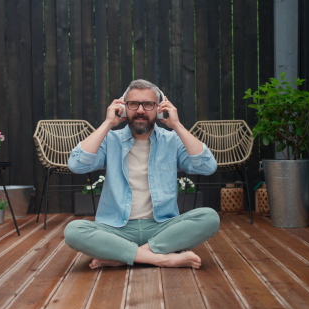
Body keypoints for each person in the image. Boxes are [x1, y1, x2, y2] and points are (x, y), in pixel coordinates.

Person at [64, 79, 220, 269]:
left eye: (148, 104)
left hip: (161, 227)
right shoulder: (110, 140)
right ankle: (160, 258)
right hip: (116, 229)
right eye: (133, 104)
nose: (140, 110)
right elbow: (76, 164)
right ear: (123, 107)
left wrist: (177, 125)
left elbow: (207, 166)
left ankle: (123, 256)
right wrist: (108, 123)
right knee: (74, 230)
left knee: (210, 217)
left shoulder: (172, 140)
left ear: (159, 109)